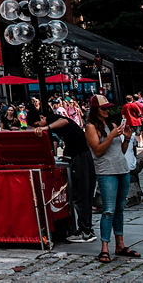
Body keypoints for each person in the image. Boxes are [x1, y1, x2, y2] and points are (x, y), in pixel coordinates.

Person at [84, 94, 138, 263]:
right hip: (106, 171)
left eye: (108, 108)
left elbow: (119, 150)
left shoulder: (112, 124)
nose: (108, 111)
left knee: (120, 209)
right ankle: (104, 247)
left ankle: (120, 245)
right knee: (108, 210)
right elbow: (98, 151)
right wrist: (110, 136)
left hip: (121, 168)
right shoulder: (91, 127)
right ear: (95, 110)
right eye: (104, 108)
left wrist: (127, 138)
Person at [35, 98, 95, 243]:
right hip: (75, 155)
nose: (38, 127)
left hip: (81, 157)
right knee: (77, 195)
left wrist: (45, 127)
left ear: (42, 118)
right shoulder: (54, 123)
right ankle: (82, 227)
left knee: (82, 193)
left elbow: (65, 121)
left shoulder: (53, 119)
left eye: (37, 124)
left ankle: (86, 230)